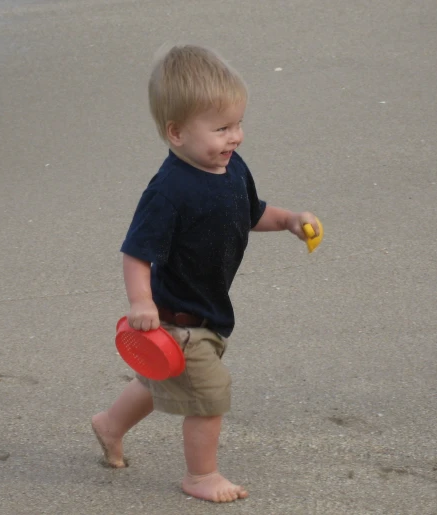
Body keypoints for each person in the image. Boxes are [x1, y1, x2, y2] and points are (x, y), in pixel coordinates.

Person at [91, 44, 320, 503]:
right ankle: (200, 476)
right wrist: (141, 302)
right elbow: (136, 252)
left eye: (237, 124)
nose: (234, 137)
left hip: (209, 313)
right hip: (176, 322)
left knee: (159, 382)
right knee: (210, 395)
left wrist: (290, 220)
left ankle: (109, 424)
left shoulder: (231, 169)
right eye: (220, 128)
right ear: (176, 133)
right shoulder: (168, 192)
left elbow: (251, 212)